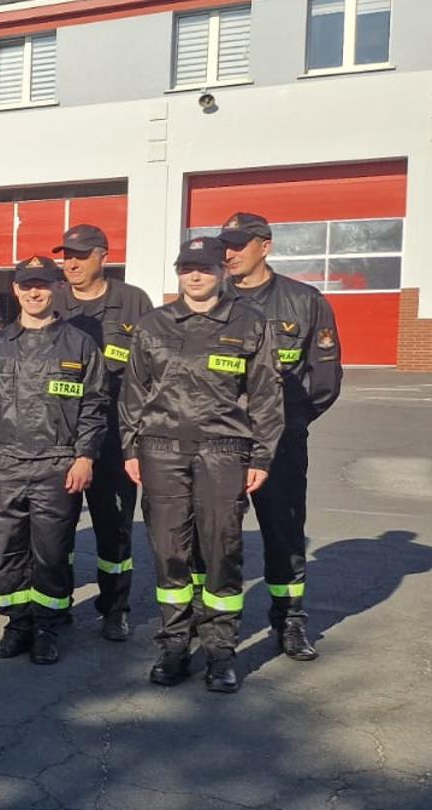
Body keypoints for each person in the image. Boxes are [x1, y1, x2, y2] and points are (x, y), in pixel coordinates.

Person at [122, 236, 284, 693]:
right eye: (187, 268)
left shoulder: (249, 323)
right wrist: (130, 448)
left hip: (223, 450)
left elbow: (268, 395)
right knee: (169, 550)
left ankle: (219, 652)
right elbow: (133, 392)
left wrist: (263, 455)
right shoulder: (154, 324)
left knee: (221, 550)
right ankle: (174, 645)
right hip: (161, 449)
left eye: (205, 268)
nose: (195, 276)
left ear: (222, 271)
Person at [0, 257, 109, 665]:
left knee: (50, 550)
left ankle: (46, 624)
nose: (34, 292)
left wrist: (85, 456)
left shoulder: (78, 344)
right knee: (7, 550)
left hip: (57, 464)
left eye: (41, 285)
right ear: (15, 290)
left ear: (54, 288)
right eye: (26, 285)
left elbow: (95, 404)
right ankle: (17, 624)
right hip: (5, 464)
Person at [219, 212, 341, 661]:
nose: (228, 253)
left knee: (284, 531)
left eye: (239, 244)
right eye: (224, 245)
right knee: (216, 536)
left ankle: (289, 622)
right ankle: (214, 625)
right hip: (220, 441)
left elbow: (323, 379)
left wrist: (287, 423)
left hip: (280, 443)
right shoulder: (210, 298)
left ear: (264, 246)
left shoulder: (303, 300)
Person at [53, 223, 154, 641]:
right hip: (59, 437)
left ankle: (115, 608)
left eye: (79, 255)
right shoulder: (52, 300)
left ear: (103, 256)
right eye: (66, 256)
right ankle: (55, 607)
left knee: (113, 530)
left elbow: (154, 372)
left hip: (115, 437)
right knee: (56, 528)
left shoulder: (134, 302)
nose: (70, 263)